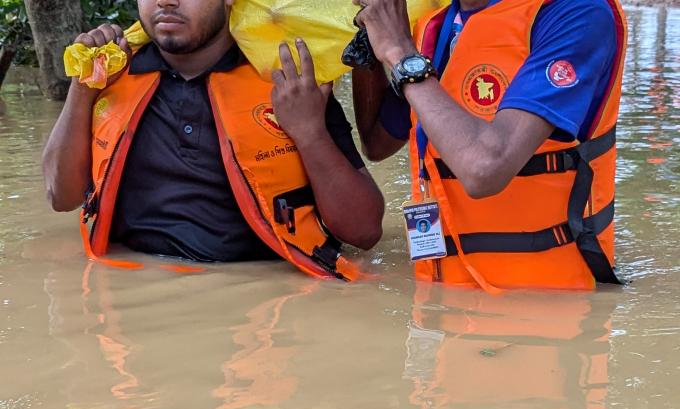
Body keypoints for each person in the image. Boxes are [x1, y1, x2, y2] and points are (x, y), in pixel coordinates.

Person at [42, 0, 385, 280]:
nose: (166, 2)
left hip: (258, 305)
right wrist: (83, 86)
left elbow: (364, 231)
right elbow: (61, 196)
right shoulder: (111, 74)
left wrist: (310, 132)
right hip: (126, 290)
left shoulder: (288, 81)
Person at [351, 0, 628, 290]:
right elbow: (378, 142)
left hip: (551, 302)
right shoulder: (435, 26)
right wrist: (371, 35)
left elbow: (484, 170)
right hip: (441, 296)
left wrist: (400, 54)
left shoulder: (577, 13)